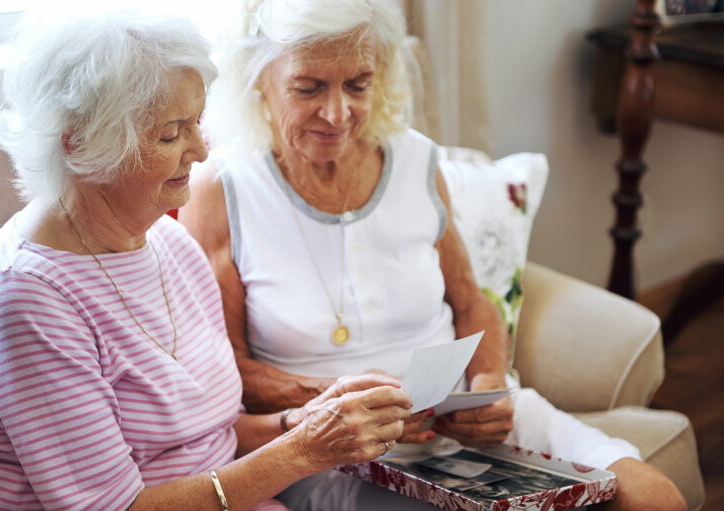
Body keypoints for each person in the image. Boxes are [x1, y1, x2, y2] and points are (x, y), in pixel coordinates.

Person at [179, 1, 688, 510]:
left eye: (358, 84)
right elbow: (223, 370)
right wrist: (330, 397)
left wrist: (489, 385)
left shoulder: (416, 160)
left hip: (456, 417)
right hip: (333, 447)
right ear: (258, 81)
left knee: (654, 498)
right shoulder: (222, 189)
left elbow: (472, 304)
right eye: (309, 87)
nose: (338, 114)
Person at [0, 8, 415, 511]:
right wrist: (303, 449)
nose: (200, 150)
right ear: (82, 144)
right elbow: (112, 508)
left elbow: (213, 436)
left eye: (196, 122)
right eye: (170, 134)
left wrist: (306, 420)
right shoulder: (24, 300)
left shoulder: (168, 243)